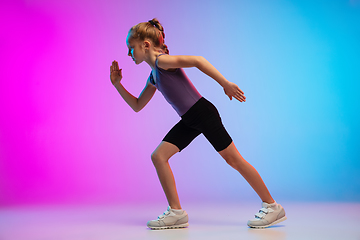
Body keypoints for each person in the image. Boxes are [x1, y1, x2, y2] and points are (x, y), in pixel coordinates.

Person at [110, 18, 286, 229]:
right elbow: (138, 105)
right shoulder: (153, 76)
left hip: (202, 113)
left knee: (233, 160)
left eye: (131, 48)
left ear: (145, 45)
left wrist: (225, 84)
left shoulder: (161, 62)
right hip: (189, 119)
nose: (129, 54)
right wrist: (117, 85)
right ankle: (176, 212)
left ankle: (272, 206)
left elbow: (198, 61)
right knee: (159, 156)